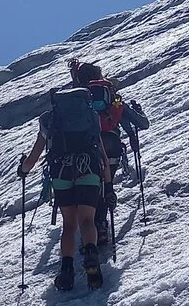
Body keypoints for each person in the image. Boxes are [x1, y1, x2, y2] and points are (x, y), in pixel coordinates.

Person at [18, 75, 111, 291]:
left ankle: (67, 271)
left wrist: (23, 170)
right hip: (88, 169)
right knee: (87, 220)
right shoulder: (91, 116)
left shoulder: (49, 120)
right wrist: (108, 185)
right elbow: (101, 153)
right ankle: (91, 258)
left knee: (69, 225)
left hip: (61, 172)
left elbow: (34, 156)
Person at [67, 60, 150, 245]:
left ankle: (95, 226)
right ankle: (101, 225)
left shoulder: (79, 99)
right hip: (111, 144)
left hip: (87, 148)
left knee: (91, 187)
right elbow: (142, 124)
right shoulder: (111, 95)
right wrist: (138, 111)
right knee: (106, 184)